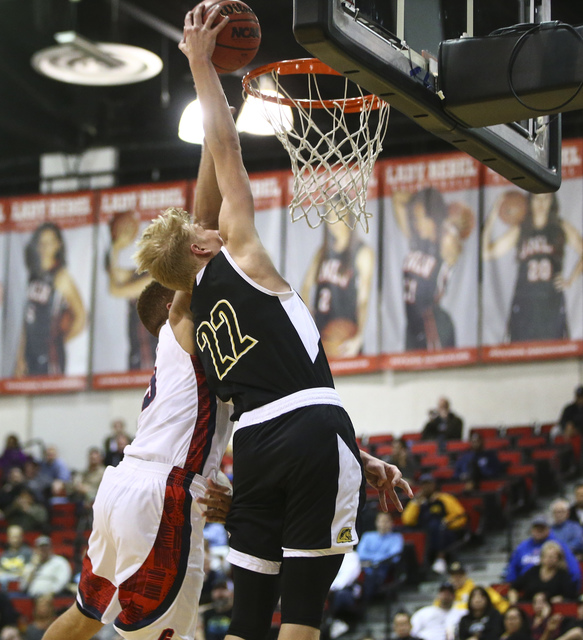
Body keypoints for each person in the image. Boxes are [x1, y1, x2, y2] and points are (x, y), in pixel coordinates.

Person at [134, 7, 413, 640]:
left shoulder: (192, 317)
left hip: (254, 448)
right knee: (305, 616)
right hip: (313, 425)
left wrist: (360, 456)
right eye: (202, 230)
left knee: (249, 620)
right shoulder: (241, 257)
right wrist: (201, 64)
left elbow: (267, 395)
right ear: (202, 249)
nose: (211, 224)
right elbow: (226, 150)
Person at [41, 278, 233, 640]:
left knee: (84, 616)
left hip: (125, 485)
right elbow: (189, 270)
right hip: (159, 495)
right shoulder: (184, 329)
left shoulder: (177, 353)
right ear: (171, 307)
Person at [483, 191, 583, 343]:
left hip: (551, 303)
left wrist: (570, 279)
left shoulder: (560, 227)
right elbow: (486, 252)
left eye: (546, 198)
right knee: (522, 357)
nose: (541, 204)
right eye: (537, 198)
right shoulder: (521, 229)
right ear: (529, 201)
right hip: (524, 304)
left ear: (552, 201)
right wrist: (493, 214)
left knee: (553, 357)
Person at [392, 188, 470, 351]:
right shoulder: (417, 240)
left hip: (433, 324)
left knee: (437, 376)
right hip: (413, 324)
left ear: (433, 219)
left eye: (419, 218)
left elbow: (456, 246)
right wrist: (418, 200)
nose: (415, 223)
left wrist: (450, 222)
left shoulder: (445, 242)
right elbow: (398, 199)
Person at [14, 221, 86, 377]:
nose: (45, 247)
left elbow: (81, 316)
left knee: (48, 400)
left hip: (50, 360)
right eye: (42, 242)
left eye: (50, 242)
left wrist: (59, 342)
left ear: (58, 245)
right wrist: (20, 357)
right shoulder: (33, 276)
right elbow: (28, 321)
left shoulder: (62, 277)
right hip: (30, 356)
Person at [301, 213, 374, 358]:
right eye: (329, 216)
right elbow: (305, 287)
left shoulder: (362, 252)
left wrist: (358, 337)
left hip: (346, 336)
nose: (332, 221)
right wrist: (308, 322)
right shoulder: (322, 252)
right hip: (321, 336)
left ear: (348, 217)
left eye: (337, 215)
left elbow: (363, 301)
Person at [105, 211, 157, 371]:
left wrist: (116, 247)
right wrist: (116, 246)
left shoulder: (158, 278)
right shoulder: (143, 274)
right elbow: (113, 272)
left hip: (152, 356)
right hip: (139, 353)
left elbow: (115, 290)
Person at [401, 473, 467, 575]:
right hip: (425, 531)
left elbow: (459, 515)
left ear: (434, 485)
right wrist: (415, 502)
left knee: (436, 526)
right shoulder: (418, 502)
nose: (426, 487)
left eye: (429, 484)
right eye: (423, 485)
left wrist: (447, 522)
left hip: (445, 530)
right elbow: (407, 520)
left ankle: (440, 558)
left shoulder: (444, 498)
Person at [504, 515, 581, 590]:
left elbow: (573, 570)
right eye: (536, 527)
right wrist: (511, 587)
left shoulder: (558, 545)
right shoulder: (522, 547)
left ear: (549, 529)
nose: (539, 530)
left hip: (552, 589)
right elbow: (512, 569)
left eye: (542, 528)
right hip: (526, 589)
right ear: (531, 529)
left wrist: (571, 590)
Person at [509, 540, 577, 604]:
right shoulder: (533, 571)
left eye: (553, 557)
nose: (550, 559)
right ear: (542, 557)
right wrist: (514, 603)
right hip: (529, 608)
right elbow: (514, 588)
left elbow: (570, 596)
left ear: (558, 559)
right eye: (547, 556)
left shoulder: (563, 575)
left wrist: (561, 599)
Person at [356, 512, 404, 602]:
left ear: (391, 523)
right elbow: (360, 554)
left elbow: (394, 556)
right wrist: (378, 557)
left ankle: (367, 603)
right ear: (376, 523)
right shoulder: (368, 536)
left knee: (373, 575)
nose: (383, 524)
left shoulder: (396, 538)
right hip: (364, 567)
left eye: (386, 521)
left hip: (384, 569)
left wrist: (373, 560)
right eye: (381, 521)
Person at [442, 561, 509, 614]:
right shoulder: (448, 593)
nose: (456, 579)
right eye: (453, 576)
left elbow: (500, 604)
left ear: (465, 576)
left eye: (459, 576)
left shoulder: (477, 589)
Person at [0, 525, 33, 590]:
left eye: (17, 537)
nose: (15, 540)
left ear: (22, 537)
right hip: (5, 585)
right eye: (13, 537)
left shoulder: (28, 553)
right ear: (8, 538)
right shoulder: (3, 555)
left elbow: (30, 570)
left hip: (22, 585)